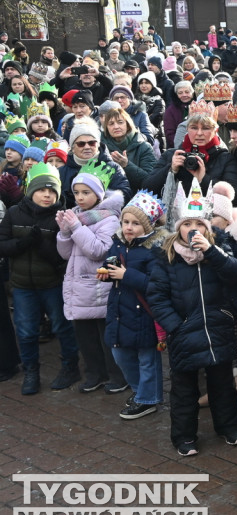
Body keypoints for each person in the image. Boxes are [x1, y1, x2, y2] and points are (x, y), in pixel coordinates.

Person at [148, 179, 237, 456]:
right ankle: (184, 437)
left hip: (217, 328)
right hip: (184, 333)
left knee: (223, 386)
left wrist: (211, 252)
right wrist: (175, 327)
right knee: (184, 390)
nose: (192, 229)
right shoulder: (165, 257)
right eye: (186, 224)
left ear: (208, 227)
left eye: (199, 225)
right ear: (178, 227)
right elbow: (156, 297)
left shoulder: (220, 247)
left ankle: (229, 428)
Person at [0, 163, 80, 395]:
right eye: (42, 190)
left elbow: (62, 257)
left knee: (62, 326)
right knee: (25, 330)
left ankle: (70, 366)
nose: (47, 195)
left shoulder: (61, 218)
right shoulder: (15, 213)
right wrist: (22, 244)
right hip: (23, 285)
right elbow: (2, 245)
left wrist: (42, 246)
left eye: (52, 191)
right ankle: (31, 371)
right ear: (30, 190)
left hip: (51, 284)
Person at [56, 160, 127, 394]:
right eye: (76, 192)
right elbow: (66, 254)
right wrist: (64, 233)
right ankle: (94, 374)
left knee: (106, 336)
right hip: (79, 287)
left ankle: (117, 375)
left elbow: (98, 251)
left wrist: (75, 229)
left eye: (86, 192)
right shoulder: (76, 216)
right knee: (85, 338)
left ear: (98, 194)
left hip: (99, 286)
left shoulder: (109, 218)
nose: (80, 197)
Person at [103, 190, 168, 419]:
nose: (128, 227)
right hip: (119, 310)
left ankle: (148, 398)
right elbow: (110, 265)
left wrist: (126, 275)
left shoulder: (155, 250)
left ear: (148, 226)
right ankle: (139, 391)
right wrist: (106, 272)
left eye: (135, 223)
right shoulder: (118, 243)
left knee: (147, 359)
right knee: (120, 354)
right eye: (125, 222)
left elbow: (156, 283)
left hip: (144, 314)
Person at [143, 100, 237, 207]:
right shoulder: (172, 155)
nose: (199, 133)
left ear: (215, 130)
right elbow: (147, 189)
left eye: (206, 128)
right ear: (187, 129)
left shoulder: (225, 158)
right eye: (194, 128)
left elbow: (236, 197)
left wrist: (204, 179)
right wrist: (171, 169)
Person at [101, 107, 157, 193]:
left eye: (120, 122)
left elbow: (150, 181)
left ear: (127, 125)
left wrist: (127, 165)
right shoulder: (101, 148)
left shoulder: (144, 147)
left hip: (136, 198)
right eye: (111, 124)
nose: (116, 127)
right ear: (106, 128)